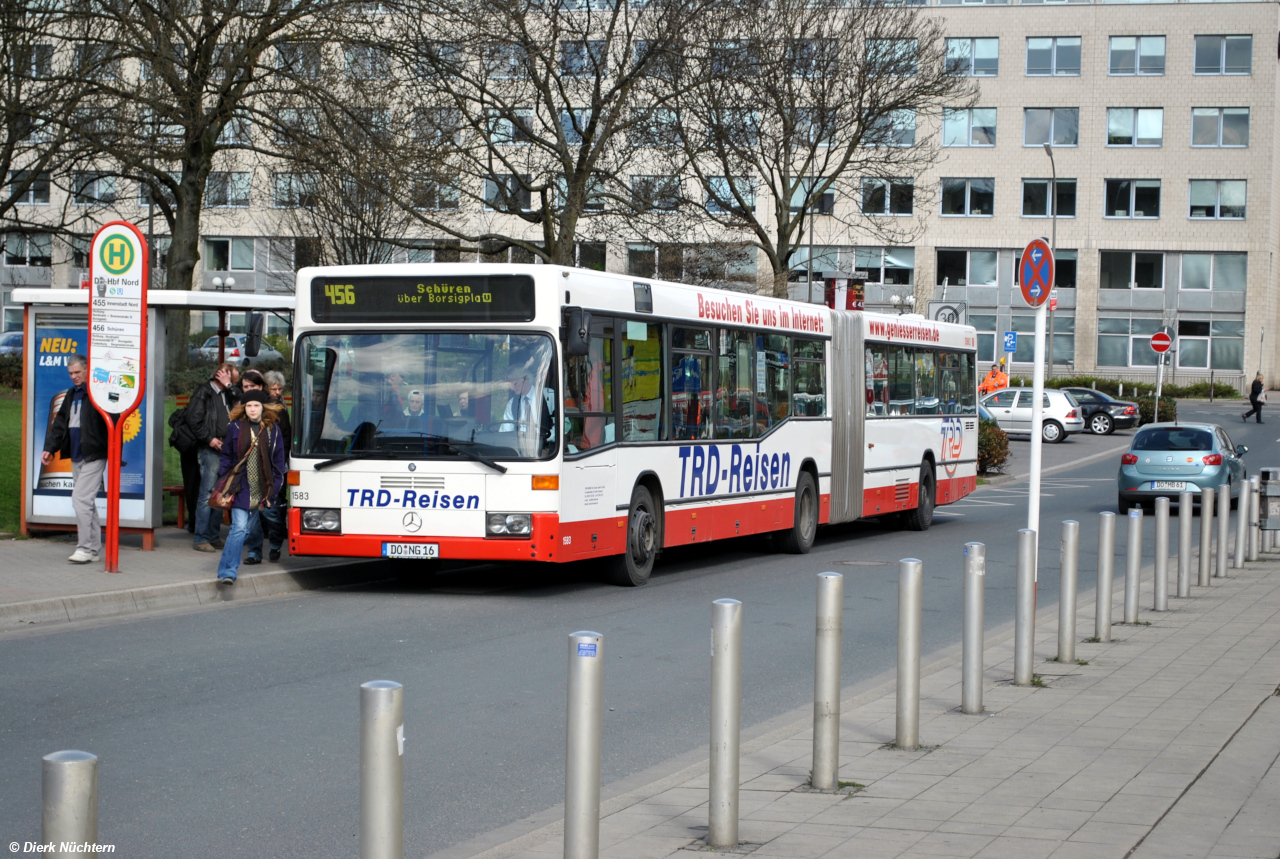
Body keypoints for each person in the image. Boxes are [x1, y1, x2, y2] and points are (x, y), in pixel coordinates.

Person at [41, 355, 108, 564]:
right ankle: (94, 548)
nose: (74, 377)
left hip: (94, 454)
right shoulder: (72, 393)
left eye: (77, 372)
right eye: (71, 373)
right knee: (86, 502)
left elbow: (110, 420)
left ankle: (84, 547)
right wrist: (50, 448)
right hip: (77, 454)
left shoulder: (97, 392)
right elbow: (61, 423)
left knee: (80, 499)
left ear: (87, 370)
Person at [214, 391, 287, 585]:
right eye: (248, 406)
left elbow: (279, 461)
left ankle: (234, 565)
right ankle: (227, 572)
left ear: (263, 407)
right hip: (240, 486)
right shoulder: (236, 427)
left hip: (263, 488)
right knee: (239, 528)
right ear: (243, 408)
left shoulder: (274, 429)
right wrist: (227, 477)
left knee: (248, 529)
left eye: (255, 405)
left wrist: (275, 487)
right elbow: (227, 455)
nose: (252, 409)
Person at [185, 362, 238, 552]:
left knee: (220, 492)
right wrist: (210, 439)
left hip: (226, 447)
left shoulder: (227, 393)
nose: (234, 383)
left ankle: (214, 536)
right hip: (211, 448)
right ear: (222, 375)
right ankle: (201, 537)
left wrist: (230, 386)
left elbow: (243, 400)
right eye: (232, 378)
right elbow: (193, 419)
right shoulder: (205, 392)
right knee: (207, 492)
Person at [246, 371, 291, 564]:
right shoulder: (252, 407)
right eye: (274, 389)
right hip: (251, 466)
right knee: (253, 513)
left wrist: (279, 464)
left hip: (271, 465)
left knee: (270, 511)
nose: (277, 392)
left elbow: (285, 437)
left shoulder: (279, 410)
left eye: (279, 389)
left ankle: (274, 544)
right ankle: (254, 552)